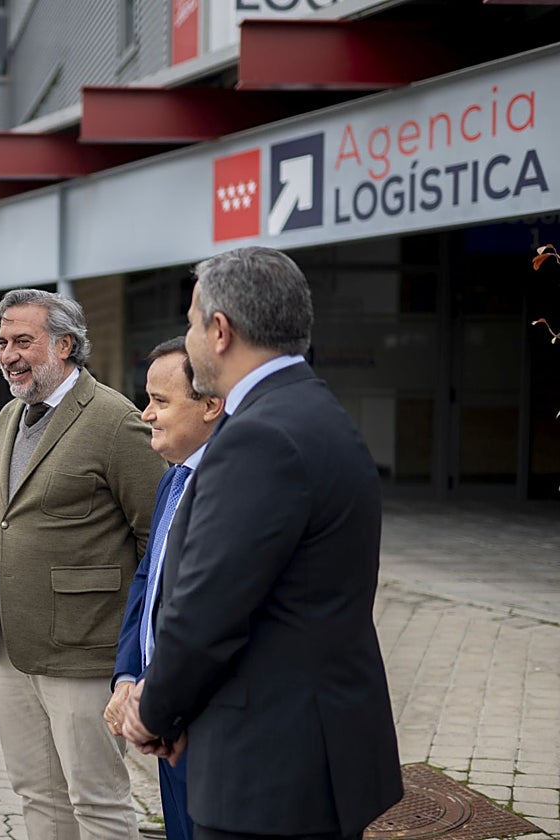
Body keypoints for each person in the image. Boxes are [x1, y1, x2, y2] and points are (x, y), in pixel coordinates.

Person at [122, 247, 403, 840]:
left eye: (194, 321)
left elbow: (208, 610)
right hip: (308, 754)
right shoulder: (315, 411)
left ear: (219, 331)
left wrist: (152, 713)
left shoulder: (259, 438)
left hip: (270, 770)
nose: (189, 336)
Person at [0, 289, 163, 840]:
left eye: (23, 341)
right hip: (11, 644)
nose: (8, 354)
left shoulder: (114, 419)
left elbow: (156, 540)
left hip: (84, 651)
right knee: (37, 794)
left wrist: (136, 653)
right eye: (2, 342)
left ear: (65, 344)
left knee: (98, 802)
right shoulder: (9, 416)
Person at [103, 337, 223, 840]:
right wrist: (128, 674)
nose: (145, 414)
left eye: (161, 401)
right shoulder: (173, 478)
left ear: (211, 405)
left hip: (207, 717)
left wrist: (159, 695)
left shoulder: (231, 486)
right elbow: (147, 582)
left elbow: (214, 613)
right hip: (162, 710)